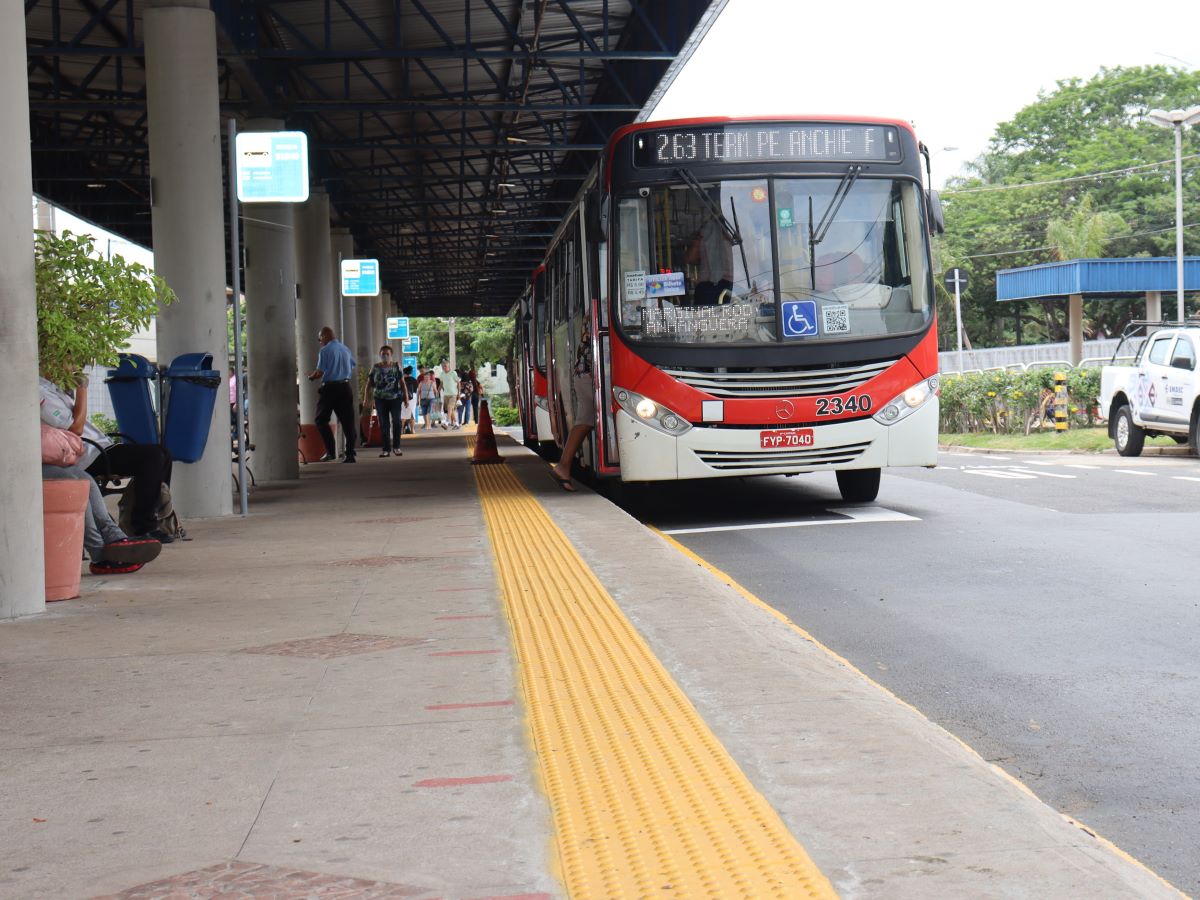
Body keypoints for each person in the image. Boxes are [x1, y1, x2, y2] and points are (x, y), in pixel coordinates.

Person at [39, 372, 175, 542]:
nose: (74, 367)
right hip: (85, 454)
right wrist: (82, 390)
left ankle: (154, 516)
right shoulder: (39, 392)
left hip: (98, 446)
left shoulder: (52, 388)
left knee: (163, 454)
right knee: (152, 456)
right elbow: (75, 428)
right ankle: (140, 525)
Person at [42, 460, 162, 574]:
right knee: (73, 483)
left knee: (86, 479)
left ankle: (115, 537)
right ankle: (98, 552)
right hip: (31, 462)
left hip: (49, 460)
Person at [549, 320, 596, 492]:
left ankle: (563, 466)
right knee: (585, 420)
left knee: (584, 420)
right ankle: (563, 466)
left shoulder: (589, 315)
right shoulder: (603, 309)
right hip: (589, 375)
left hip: (584, 374)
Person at [307, 326, 357, 463]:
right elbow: (353, 364)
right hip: (345, 387)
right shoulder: (345, 348)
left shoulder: (325, 350)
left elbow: (320, 372)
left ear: (324, 336)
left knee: (320, 420)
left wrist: (311, 377)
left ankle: (330, 452)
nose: (319, 341)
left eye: (319, 338)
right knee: (348, 421)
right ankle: (350, 454)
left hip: (330, 388)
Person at [365, 345, 408, 457]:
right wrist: (366, 399)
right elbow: (368, 385)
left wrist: (406, 397)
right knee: (384, 424)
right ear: (380, 354)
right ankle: (386, 449)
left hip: (395, 398)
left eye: (387, 354)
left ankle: (397, 447)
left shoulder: (396, 366)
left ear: (391, 355)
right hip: (380, 399)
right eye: (383, 354)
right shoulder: (375, 367)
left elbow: (402, 383)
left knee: (397, 422)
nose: (385, 356)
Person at [685, 211, 734, 306]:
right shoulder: (733, 238)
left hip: (708, 286)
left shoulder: (704, 235)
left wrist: (696, 241)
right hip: (731, 285)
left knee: (703, 317)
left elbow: (690, 258)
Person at [436, 358, 461, 431]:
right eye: (443, 366)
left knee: (450, 407)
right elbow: (441, 384)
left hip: (453, 394)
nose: (444, 367)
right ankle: (456, 424)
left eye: (446, 366)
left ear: (449, 366)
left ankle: (447, 423)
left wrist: (459, 393)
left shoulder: (453, 373)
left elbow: (458, 383)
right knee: (451, 410)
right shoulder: (442, 374)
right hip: (446, 394)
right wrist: (438, 392)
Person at [401, 365, 418, 434]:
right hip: (413, 398)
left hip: (403, 398)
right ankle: (412, 430)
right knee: (412, 414)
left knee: (403, 414)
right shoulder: (414, 380)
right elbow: (415, 390)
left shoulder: (402, 380)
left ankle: (401, 430)